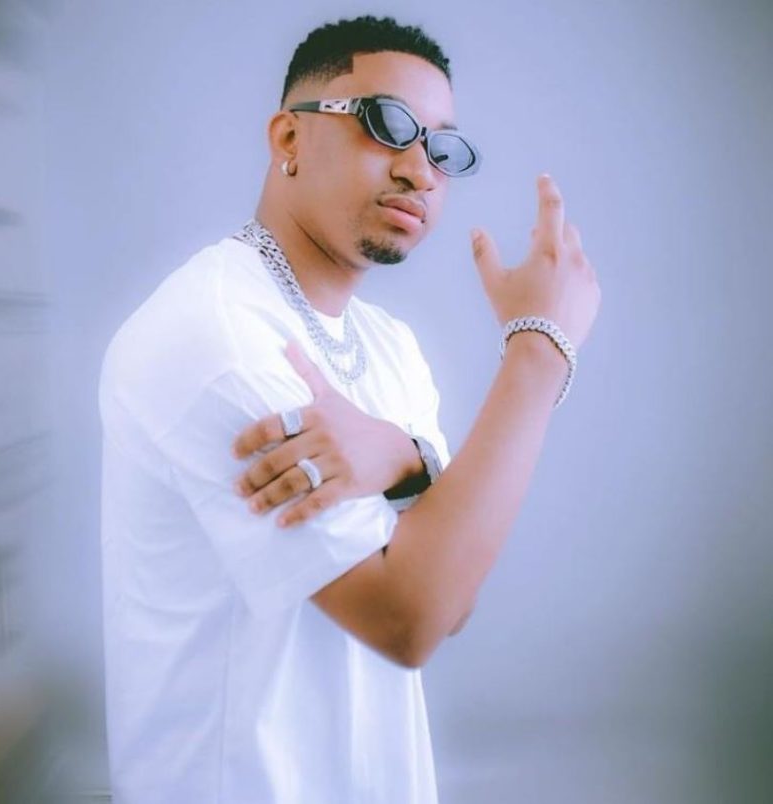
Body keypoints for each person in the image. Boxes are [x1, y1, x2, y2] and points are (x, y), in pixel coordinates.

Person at [99, 13, 601, 804]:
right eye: (387, 123)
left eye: (442, 148)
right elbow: (411, 618)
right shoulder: (214, 338)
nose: (421, 171)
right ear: (288, 138)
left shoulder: (391, 347)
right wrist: (538, 352)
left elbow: (454, 595)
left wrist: (405, 454)